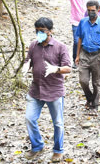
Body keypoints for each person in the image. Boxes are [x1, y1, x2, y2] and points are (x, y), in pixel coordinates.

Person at [22, 17, 72, 162]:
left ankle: (58, 150)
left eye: (42, 31)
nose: (39, 34)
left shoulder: (60, 47)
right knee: (29, 118)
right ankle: (37, 146)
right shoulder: (33, 45)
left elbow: (68, 68)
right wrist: (26, 66)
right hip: (36, 90)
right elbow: (28, 60)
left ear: (50, 31)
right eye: (37, 31)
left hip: (54, 91)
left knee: (57, 123)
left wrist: (56, 69)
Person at [75, 0, 100, 112]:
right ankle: (89, 97)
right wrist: (77, 55)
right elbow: (79, 39)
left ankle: (95, 104)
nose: (91, 12)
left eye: (93, 10)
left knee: (96, 82)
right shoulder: (82, 22)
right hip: (85, 54)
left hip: (98, 55)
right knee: (83, 80)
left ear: (98, 10)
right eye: (89, 10)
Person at [63, 0, 90, 68]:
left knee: (86, 41)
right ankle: (75, 59)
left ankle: (84, 59)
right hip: (76, 23)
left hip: (87, 23)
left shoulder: (90, 0)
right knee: (76, 41)